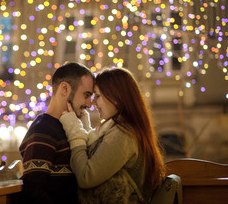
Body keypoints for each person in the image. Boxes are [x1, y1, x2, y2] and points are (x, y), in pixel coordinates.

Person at [59, 67, 166, 204]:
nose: (93, 103)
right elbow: (99, 155)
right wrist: (83, 126)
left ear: (116, 97)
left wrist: (74, 129)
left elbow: (86, 176)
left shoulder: (123, 134)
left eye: (97, 96)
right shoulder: (118, 128)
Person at [19, 62, 95, 204]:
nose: (90, 103)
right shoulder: (43, 129)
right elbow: (33, 193)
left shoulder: (72, 127)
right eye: (86, 95)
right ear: (64, 88)